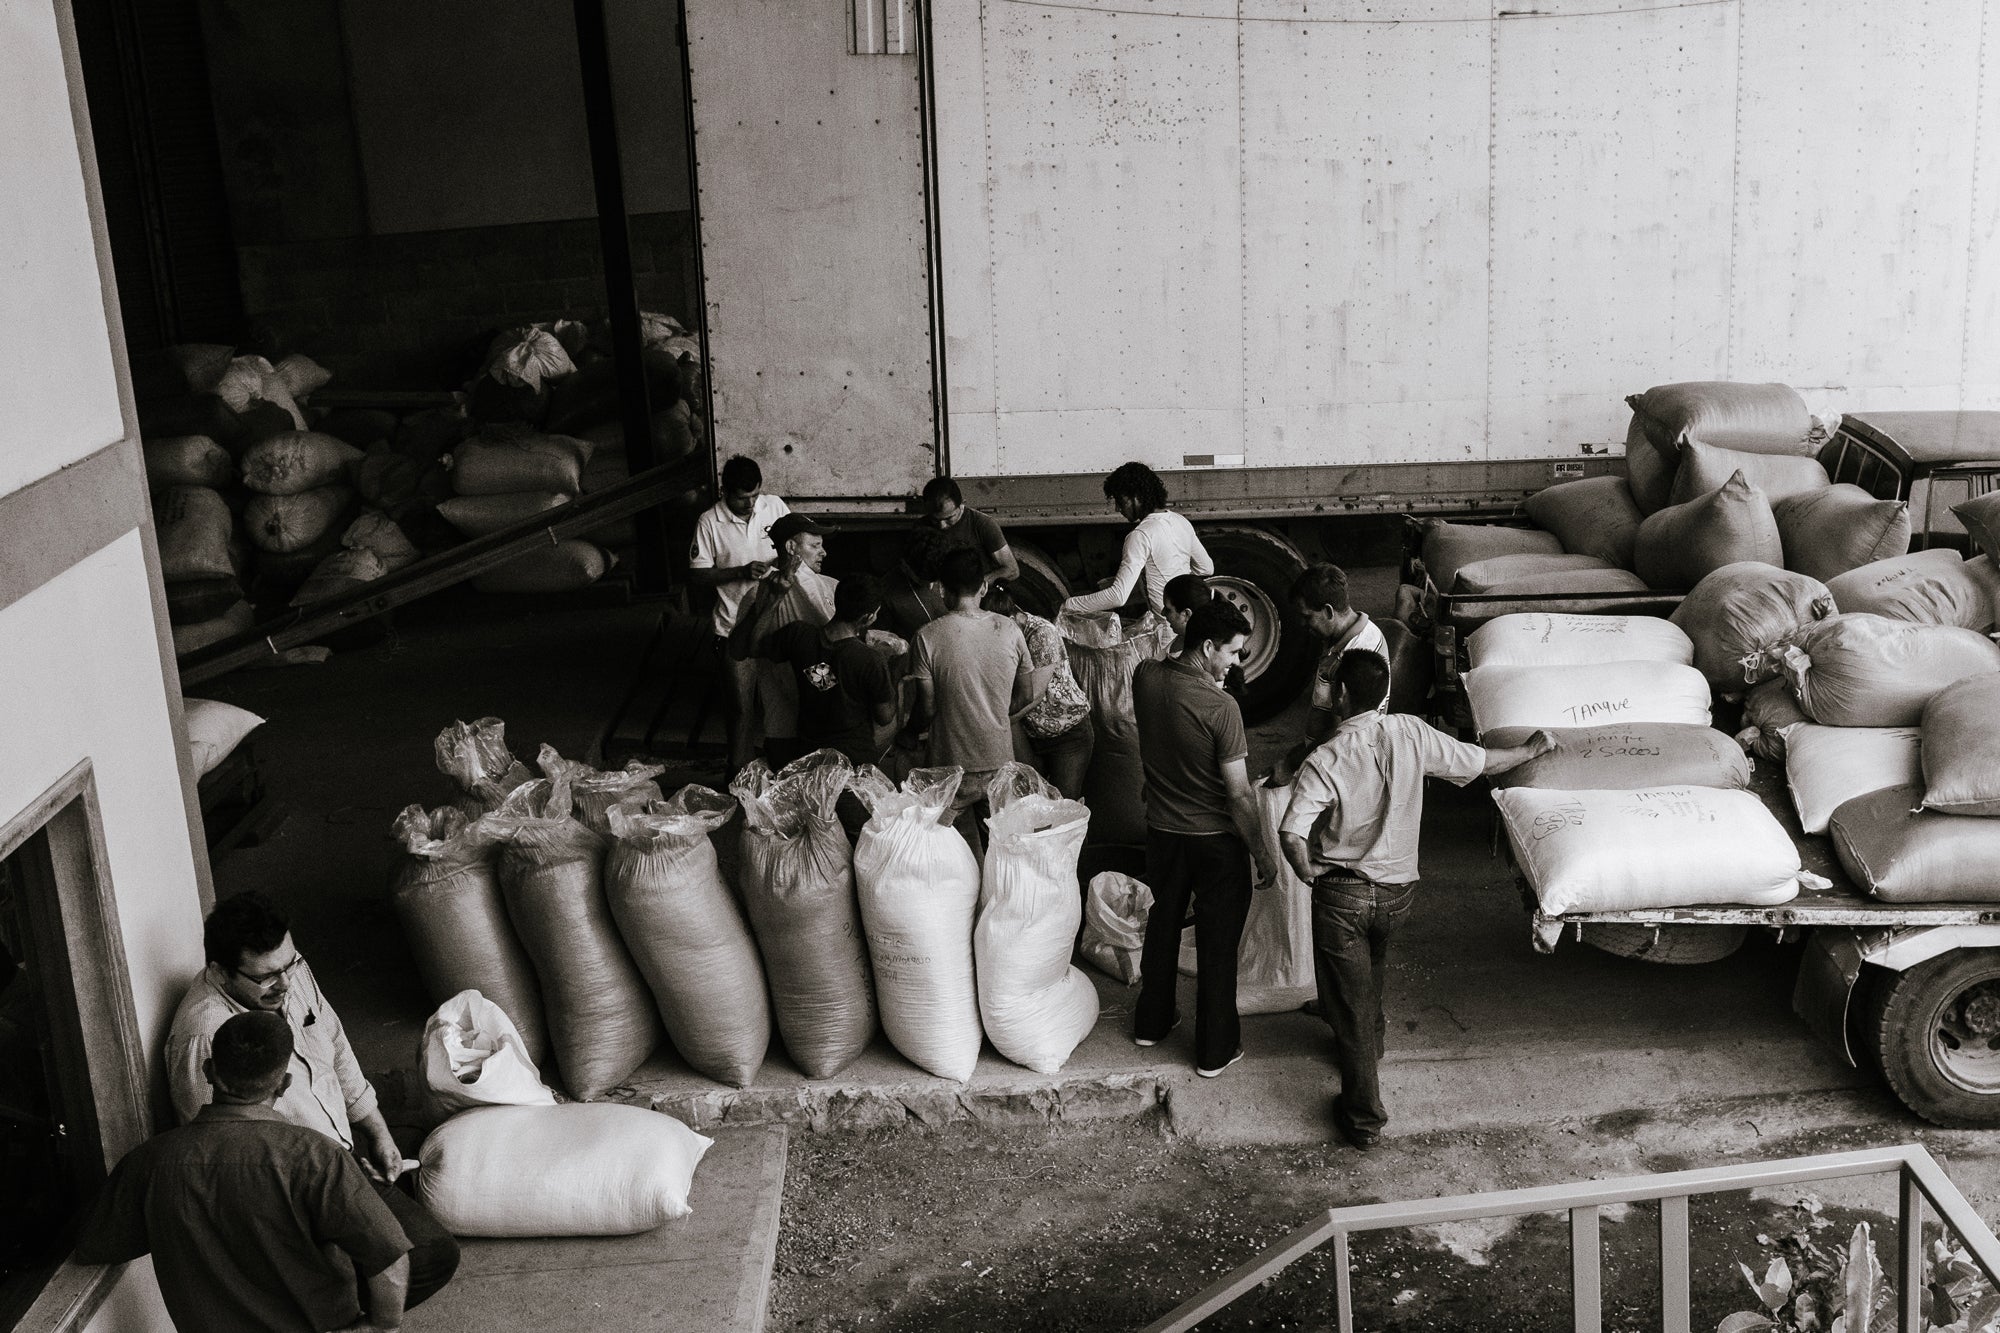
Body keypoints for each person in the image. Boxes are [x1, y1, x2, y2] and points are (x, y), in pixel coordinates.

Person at [1278, 649, 1554, 1150]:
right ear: (1381, 694)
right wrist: (1532, 750)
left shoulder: (1327, 756)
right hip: (1398, 893)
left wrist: (1308, 871)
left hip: (1344, 894)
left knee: (1350, 998)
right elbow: (1480, 761)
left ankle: (1362, 1117)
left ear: (1340, 695)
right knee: (1371, 971)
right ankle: (1373, 1044)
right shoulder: (1411, 731)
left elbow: (1292, 833)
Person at [167, 894, 460, 1307]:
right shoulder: (205, 1038)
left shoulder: (291, 974)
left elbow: (335, 1045)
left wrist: (376, 1130)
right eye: (267, 976)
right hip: (299, 1196)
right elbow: (225, 1154)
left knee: (429, 1241)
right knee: (424, 1256)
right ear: (219, 971)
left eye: (290, 964)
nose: (285, 984)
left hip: (340, 1158)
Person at [79, 1010, 418, 1333]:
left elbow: (98, 1246)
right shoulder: (317, 1158)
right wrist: (381, 1326)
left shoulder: (149, 1162)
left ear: (209, 1071)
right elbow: (389, 1261)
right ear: (284, 1084)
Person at [1129, 598, 1279, 1078]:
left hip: (1162, 834)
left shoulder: (1145, 678)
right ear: (1208, 646)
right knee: (1217, 945)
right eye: (1233, 652)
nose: (1236, 663)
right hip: (1214, 843)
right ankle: (1215, 1048)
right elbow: (1237, 796)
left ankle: (1152, 1022)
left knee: (1163, 923)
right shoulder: (1222, 708)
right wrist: (1263, 852)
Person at [905, 547, 1035, 854]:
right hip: (998, 764)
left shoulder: (927, 636)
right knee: (1001, 852)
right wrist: (996, 714)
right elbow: (1026, 694)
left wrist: (909, 733)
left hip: (950, 770)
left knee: (948, 854)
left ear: (941, 589)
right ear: (985, 587)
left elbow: (926, 707)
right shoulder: (1010, 629)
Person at [687, 454, 791, 776]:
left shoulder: (775, 507)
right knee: (741, 708)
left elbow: (795, 549)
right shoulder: (709, 522)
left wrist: (780, 566)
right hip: (733, 628)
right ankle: (738, 773)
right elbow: (698, 576)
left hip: (777, 623)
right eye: (743, 498)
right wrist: (741, 572)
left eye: (755, 495)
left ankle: (784, 769)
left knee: (783, 702)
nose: (751, 504)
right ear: (725, 491)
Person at [742, 573, 899, 770]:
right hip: (855, 762)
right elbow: (885, 716)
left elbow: (754, 646)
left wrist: (775, 599)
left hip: (810, 757)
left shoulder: (800, 637)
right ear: (868, 617)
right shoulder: (870, 659)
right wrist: (893, 671)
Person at [730, 511, 840, 769]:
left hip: (825, 725)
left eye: (822, 546)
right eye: (815, 546)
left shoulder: (830, 587)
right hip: (784, 729)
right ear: (791, 548)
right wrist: (769, 601)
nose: (823, 553)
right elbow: (737, 649)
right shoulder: (759, 593)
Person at [1269, 562, 1390, 785]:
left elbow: (1339, 733)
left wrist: (1292, 763)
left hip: (1343, 768)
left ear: (1328, 611)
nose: (1304, 625)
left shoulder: (1352, 658)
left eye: (1307, 617)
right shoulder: (1364, 631)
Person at [981, 581, 1094, 799]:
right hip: (1029, 731)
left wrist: (995, 723)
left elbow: (1033, 695)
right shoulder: (999, 634)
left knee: (1062, 808)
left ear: (1013, 620)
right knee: (1031, 802)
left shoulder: (1042, 634)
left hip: (1067, 734)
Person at [1061, 462, 1213, 617]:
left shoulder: (1140, 535)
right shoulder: (1180, 521)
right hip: (1186, 621)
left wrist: (1068, 605)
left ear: (1137, 497)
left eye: (1121, 501)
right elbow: (1206, 568)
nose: (1118, 509)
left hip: (1165, 630)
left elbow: (1118, 596)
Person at [914, 476, 1019, 583]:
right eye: (935, 520)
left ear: (961, 505)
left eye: (949, 518)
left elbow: (1012, 570)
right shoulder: (921, 527)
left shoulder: (983, 524)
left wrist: (975, 586)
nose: (942, 526)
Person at [1161, 573, 1246, 701]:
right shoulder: (1183, 640)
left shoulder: (1205, 668)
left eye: (1168, 609)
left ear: (1186, 614)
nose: (1162, 613)